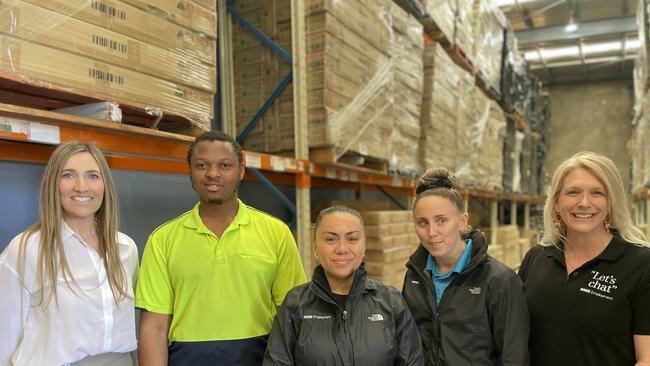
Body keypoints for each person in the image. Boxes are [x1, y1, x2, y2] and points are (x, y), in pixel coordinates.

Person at [136, 130, 307, 366]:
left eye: (225, 165)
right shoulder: (162, 240)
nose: (212, 174)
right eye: (202, 165)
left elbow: (292, 319)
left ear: (241, 171)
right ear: (190, 171)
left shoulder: (276, 233)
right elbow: (154, 328)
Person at [0, 141, 139, 365]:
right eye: (68, 175)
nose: (81, 187)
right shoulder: (27, 249)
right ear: (53, 184)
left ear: (105, 185)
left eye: (93, 176)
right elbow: (4, 338)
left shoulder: (125, 248)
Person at [519, 151, 650, 366]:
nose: (584, 202)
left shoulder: (641, 264)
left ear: (611, 203)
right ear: (556, 203)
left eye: (597, 193)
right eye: (573, 192)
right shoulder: (536, 259)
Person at [264, 205, 424, 365]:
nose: (342, 248)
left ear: (364, 247)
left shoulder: (391, 302)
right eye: (330, 239)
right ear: (315, 248)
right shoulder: (295, 304)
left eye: (352, 239)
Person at [402, 167, 530, 366]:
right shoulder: (415, 276)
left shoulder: (500, 282)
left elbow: (514, 358)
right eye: (422, 222)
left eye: (441, 220)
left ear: (462, 221)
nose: (431, 232)